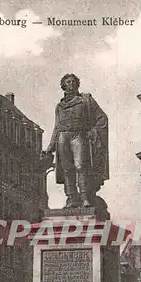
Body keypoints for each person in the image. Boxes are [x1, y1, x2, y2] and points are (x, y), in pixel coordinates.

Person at [43, 74, 109, 208]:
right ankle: (72, 197)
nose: (71, 83)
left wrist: (93, 131)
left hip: (79, 135)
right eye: (68, 82)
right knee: (67, 168)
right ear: (63, 86)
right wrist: (50, 147)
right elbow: (57, 126)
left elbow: (102, 118)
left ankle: (85, 197)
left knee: (81, 166)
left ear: (77, 84)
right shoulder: (59, 106)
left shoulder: (85, 101)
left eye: (74, 81)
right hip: (63, 137)